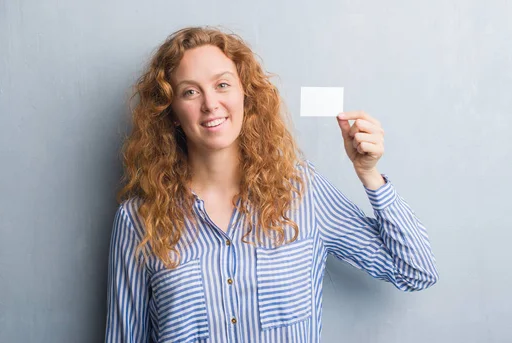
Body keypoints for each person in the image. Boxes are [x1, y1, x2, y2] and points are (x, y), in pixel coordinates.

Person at [104, 26, 438, 343]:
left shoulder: (302, 192)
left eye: (222, 85)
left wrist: (370, 174)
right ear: (172, 112)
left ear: (245, 95)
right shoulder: (139, 220)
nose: (210, 104)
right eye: (190, 92)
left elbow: (416, 271)